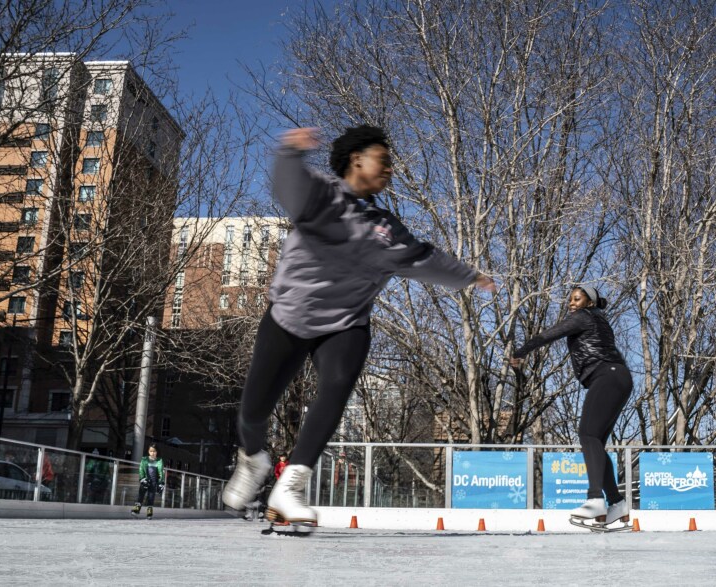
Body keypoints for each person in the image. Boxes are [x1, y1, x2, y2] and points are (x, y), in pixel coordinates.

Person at [222, 125, 495, 526]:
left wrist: (469, 276)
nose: (389, 170)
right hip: (288, 317)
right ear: (357, 159)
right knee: (254, 411)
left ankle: (290, 486)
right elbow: (290, 184)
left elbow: (426, 259)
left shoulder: (386, 228)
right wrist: (289, 152)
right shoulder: (321, 197)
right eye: (383, 161)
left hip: (345, 324)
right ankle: (252, 460)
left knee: (337, 384)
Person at [511, 285, 632, 525]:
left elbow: (551, 334)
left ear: (589, 303)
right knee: (596, 441)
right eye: (570, 299)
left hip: (606, 375)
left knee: (587, 434)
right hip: (619, 377)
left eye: (577, 299)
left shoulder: (584, 317)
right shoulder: (599, 320)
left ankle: (595, 499)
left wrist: (522, 351)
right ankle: (617, 504)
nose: (571, 303)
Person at [132, 444, 164, 519]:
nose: (152, 453)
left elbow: (161, 473)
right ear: (148, 451)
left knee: (151, 496)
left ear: (157, 452)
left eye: (154, 451)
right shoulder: (144, 459)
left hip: (153, 481)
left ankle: (149, 511)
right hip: (145, 480)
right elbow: (141, 470)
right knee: (141, 494)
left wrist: (160, 482)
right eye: (151, 451)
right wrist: (142, 478)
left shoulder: (159, 460)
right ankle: (136, 509)